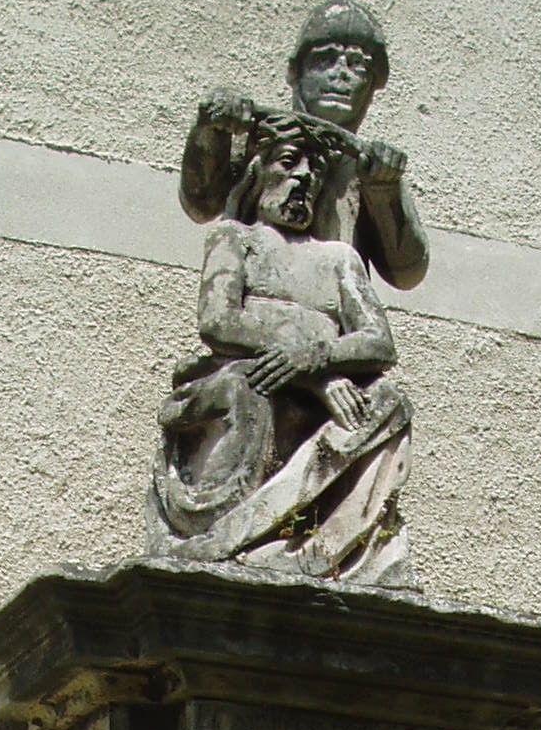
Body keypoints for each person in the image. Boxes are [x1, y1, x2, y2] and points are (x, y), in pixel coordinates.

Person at [149, 112, 413, 588]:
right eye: (288, 164)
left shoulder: (338, 260)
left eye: (313, 175)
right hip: (246, 380)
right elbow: (218, 322)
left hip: (316, 379)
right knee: (249, 388)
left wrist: (318, 358)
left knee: (388, 402)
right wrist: (312, 375)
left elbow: (379, 342)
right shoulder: (236, 239)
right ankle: (233, 538)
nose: (302, 180)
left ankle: (320, 546)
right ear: (258, 173)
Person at [179, 0, 429, 292]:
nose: (341, 73)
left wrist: (384, 187)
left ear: (372, 84)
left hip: (333, 314)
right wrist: (212, 128)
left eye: (358, 65)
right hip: (254, 304)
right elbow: (200, 203)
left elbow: (407, 272)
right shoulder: (262, 140)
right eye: (325, 59)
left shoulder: (366, 167)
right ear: (294, 71)